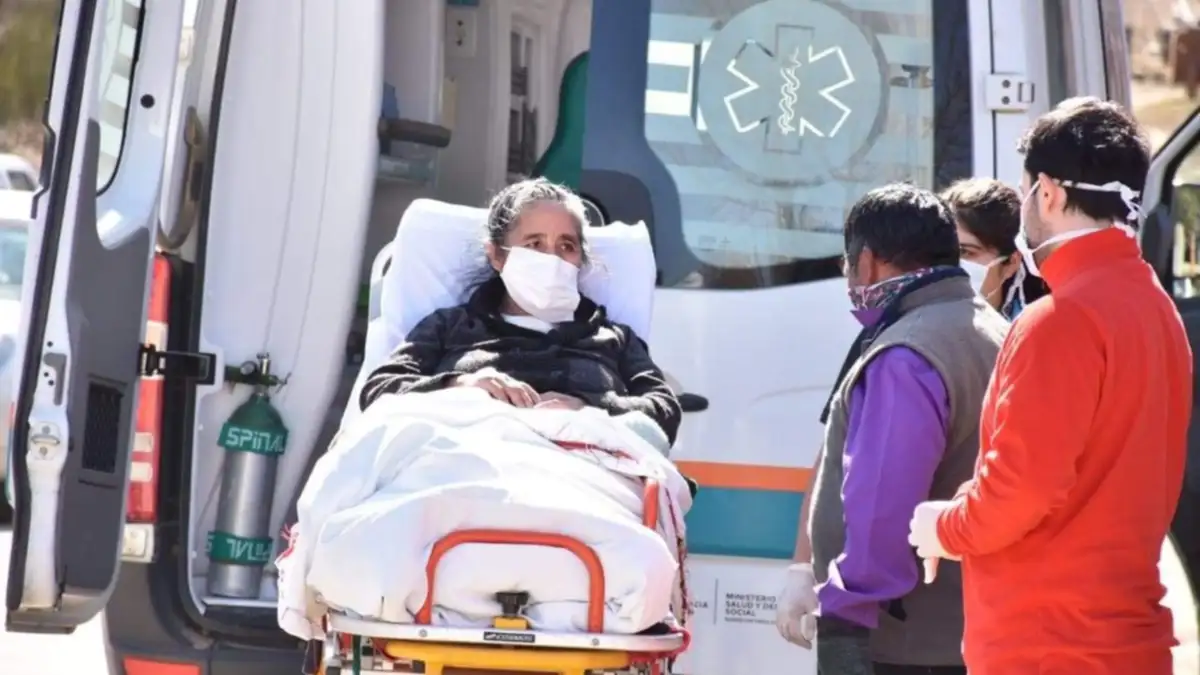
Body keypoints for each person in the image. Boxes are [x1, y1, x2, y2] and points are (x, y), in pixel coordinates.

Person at [908, 98, 1192, 674]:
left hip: (1046, 647)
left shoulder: (1059, 319)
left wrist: (943, 527)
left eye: (1024, 191)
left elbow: (1018, 492)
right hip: (1123, 643)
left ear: (1049, 193)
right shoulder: (1157, 309)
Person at [775, 183, 1008, 675]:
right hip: (978, 630)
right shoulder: (996, 330)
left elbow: (882, 504)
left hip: (907, 644)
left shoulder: (906, 355)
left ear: (865, 263)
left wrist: (844, 616)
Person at [359, 178, 682, 443]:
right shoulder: (451, 326)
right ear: (497, 256)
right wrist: (459, 385)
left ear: (581, 259)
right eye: (534, 244)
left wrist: (592, 408)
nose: (552, 258)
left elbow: (664, 409)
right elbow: (380, 390)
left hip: (579, 476)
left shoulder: (613, 339)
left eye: (566, 245)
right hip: (462, 464)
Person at [939, 177, 1049, 319]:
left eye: (965, 252)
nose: (947, 265)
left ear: (1011, 263)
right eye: (939, 252)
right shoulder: (916, 323)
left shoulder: (1035, 327)